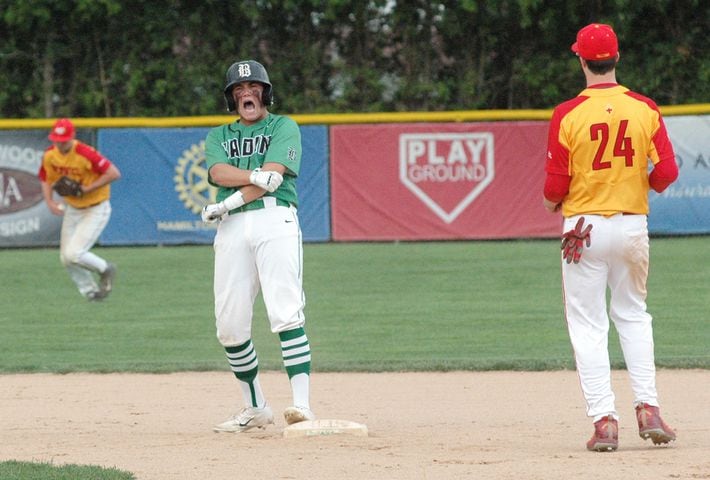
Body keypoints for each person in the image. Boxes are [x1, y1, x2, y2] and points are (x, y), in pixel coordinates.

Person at [543, 24, 679, 452]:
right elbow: (667, 173)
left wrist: (552, 203)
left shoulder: (568, 113)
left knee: (588, 325)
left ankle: (605, 422)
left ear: (581, 60)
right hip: (631, 226)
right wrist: (643, 182)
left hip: (583, 230)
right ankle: (649, 410)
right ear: (616, 59)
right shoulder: (644, 108)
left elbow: (554, 186)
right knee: (634, 316)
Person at [201, 59, 314, 433]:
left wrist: (227, 201)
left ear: (265, 92)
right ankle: (256, 407)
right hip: (231, 229)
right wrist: (251, 177)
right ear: (231, 99)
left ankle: (301, 405)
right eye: (238, 90)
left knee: (285, 311)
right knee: (229, 324)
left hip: (274, 218)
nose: (246, 93)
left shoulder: (284, 126)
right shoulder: (219, 135)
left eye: (252, 88)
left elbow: (273, 178)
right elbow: (219, 172)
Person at [39, 118, 121, 301]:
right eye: (57, 141)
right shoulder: (50, 155)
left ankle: (105, 269)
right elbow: (45, 177)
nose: (60, 144)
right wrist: (50, 202)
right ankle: (91, 292)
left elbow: (114, 173)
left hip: (96, 208)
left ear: (72, 137)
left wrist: (87, 189)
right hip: (73, 208)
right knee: (66, 258)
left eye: (64, 141)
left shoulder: (85, 153)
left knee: (74, 253)